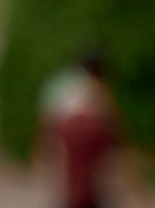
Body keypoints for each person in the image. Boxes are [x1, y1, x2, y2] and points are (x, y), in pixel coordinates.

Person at [41, 54, 125, 208]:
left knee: (71, 177)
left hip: (65, 130)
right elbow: (112, 119)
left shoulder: (64, 82)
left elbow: (50, 117)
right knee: (91, 177)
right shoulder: (98, 86)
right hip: (85, 130)